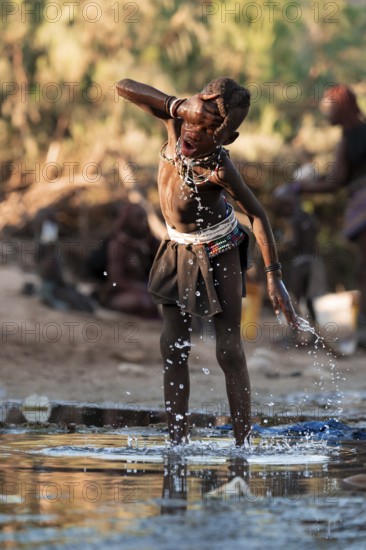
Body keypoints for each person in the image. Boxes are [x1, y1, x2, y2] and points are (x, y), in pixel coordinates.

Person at [116, 76, 299, 446]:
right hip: (177, 247)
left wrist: (274, 275)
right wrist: (176, 106)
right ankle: (177, 443)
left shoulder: (218, 168)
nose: (194, 132)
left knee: (229, 350)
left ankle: (242, 445)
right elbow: (122, 86)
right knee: (173, 347)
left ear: (225, 138)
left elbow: (258, 214)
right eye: (194, 119)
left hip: (220, 249)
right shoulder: (175, 124)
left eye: (209, 128)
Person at [295, 84, 366, 349]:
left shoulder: (350, 139)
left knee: (364, 271)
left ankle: (363, 334)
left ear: (342, 107)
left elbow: (335, 182)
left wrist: (299, 187)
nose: (326, 112)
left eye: (330, 106)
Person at [272, 182, 327, 323]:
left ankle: (296, 334)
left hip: (303, 262)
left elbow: (294, 242)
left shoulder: (296, 218)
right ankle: (314, 335)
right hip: (311, 261)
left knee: (293, 298)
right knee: (308, 300)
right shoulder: (307, 217)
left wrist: (279, 246)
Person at [95, 202, 160, 319]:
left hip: (147, 288)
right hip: (122, 292)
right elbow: (116, 280)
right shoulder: (117, 244)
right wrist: (143, 289)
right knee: (143, 301)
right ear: (128, 220)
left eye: (144, 217)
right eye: (139, 217)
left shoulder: (150, 242)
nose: (143, 222)